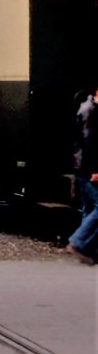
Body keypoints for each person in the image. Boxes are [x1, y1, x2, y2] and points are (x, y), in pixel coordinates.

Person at [67, 81, 98, 265]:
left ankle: (87, 249)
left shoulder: (87, 107)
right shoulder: (91, 111)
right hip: (88, 167)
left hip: (81, 165)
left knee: (88, 208)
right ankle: (78, 242)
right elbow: (90, 141)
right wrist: (95, 169)